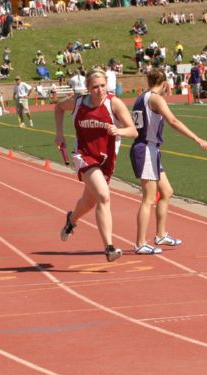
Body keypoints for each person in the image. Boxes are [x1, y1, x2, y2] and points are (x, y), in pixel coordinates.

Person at [56, 69, 138, 263]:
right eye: (95, 87)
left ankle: (71, 220)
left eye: (103, 85)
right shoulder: (77, 103)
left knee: (89, 202)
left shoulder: (114, 103)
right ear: (87, 88)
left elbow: (133, 131)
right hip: (83, 156)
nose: (100, 90)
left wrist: (118, 130)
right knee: (103, 195)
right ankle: (109, 247)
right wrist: (59, 134)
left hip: (106, 159)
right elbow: (58, 108)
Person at [129, 69, 207, 255]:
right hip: (146, 149)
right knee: (148, 199)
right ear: (165, 83)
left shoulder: (141, 97)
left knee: (166, 191)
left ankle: (161, 234)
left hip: (150, 149)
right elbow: (172, 120)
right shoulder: (155, 98)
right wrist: (196, 138)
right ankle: (140, 243)